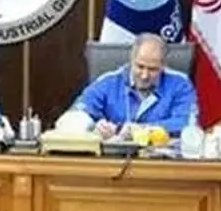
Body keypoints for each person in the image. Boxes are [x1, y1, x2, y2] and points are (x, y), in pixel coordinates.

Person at [62, 33, 198, 138]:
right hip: (112, 160)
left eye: (152, 69)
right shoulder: (108, 82)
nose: (144, 75)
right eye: (140, 66)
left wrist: (141, 130)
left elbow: (187, 123)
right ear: (131, 60)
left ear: (163, 65)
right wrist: (93, 127)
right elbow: (73, 116)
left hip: (161, 160)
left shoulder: (180, 84)